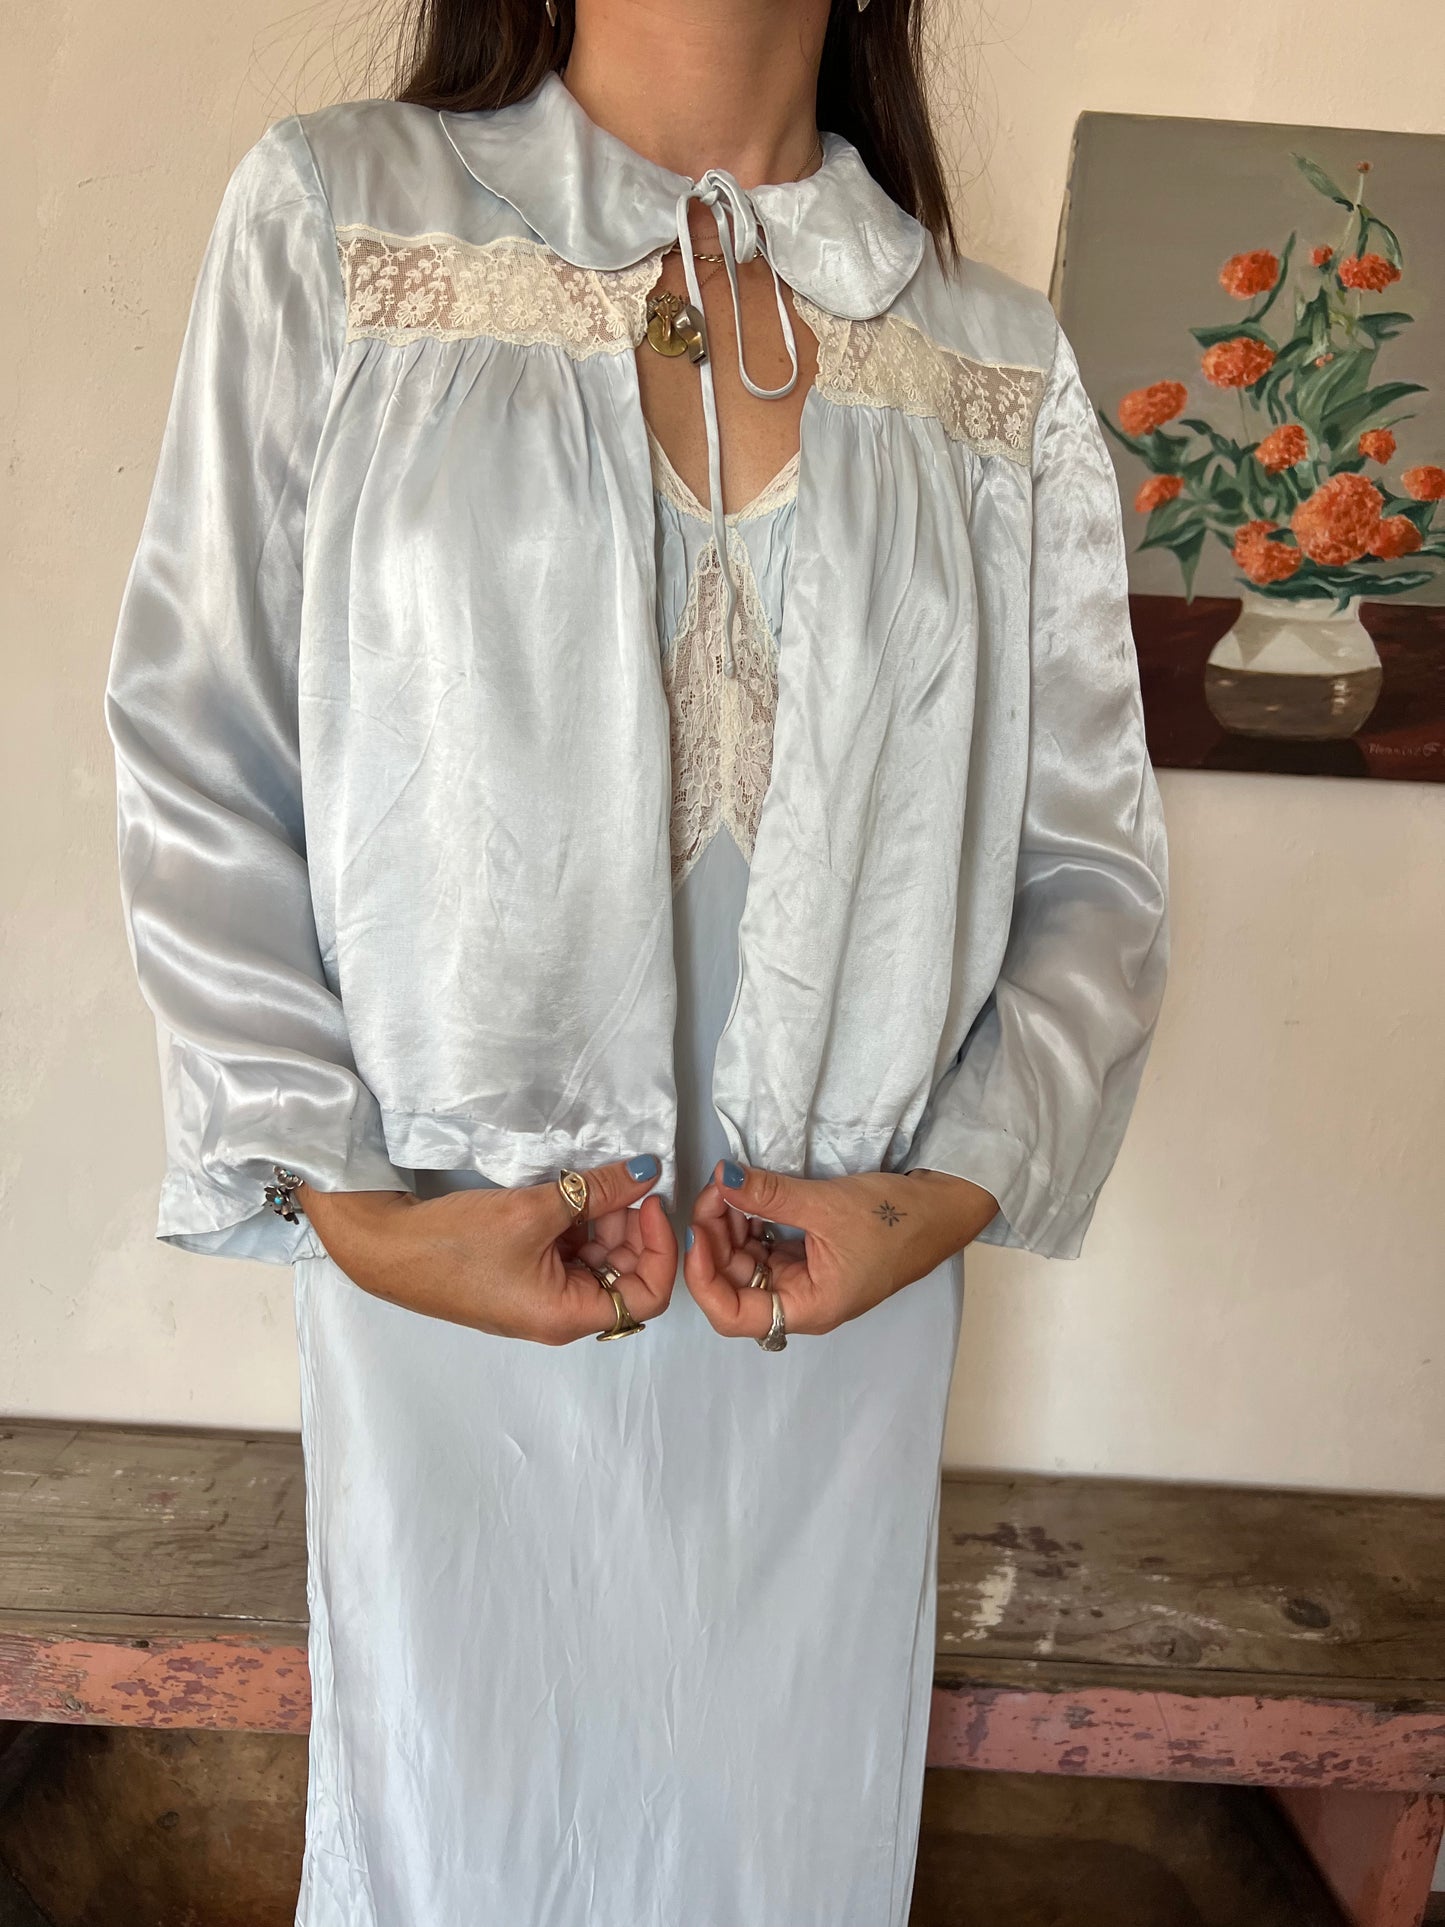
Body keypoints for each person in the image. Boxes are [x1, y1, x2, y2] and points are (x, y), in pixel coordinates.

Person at [103, 0, 1169, 1919]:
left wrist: (934, 1199)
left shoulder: (990, 366)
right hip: (449, 1311)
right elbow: (201, 749)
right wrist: (357, 1213)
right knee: (459, 1848)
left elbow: (1088, 878)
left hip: (825, 1347)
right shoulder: (343, 225)